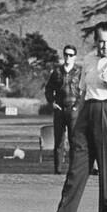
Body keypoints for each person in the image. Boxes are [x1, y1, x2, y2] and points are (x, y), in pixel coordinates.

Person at [33, 22, 107, 212]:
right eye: (101, 41)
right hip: (88, 111)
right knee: (76, 168)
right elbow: (82, 90)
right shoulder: (88, 60)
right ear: (95, 41)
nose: (105, 46)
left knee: (106, 170)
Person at [45, 45, 81, 174]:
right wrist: (52, 102)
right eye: (66, 54)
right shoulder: (57, 72)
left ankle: (73, 169)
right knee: (59, 141)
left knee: (73, 141)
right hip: (60, 109)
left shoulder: (79, 72)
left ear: (75, 57)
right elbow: (48, 89)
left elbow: (83, 91)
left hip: (73, 110)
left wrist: (77, 105)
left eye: (71, 55)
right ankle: (58, 170)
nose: (68, 57)